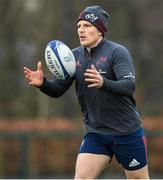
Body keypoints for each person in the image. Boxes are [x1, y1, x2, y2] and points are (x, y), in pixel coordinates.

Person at [24, 5, 150, 179]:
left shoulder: (117, 52)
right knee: (81, 177)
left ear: (100, 30)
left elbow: (129, 86)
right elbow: (58, 89)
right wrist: (43, 83)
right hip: (96, 133)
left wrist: (103, 83)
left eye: (87, 25)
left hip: (127, 132)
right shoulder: (73, 57)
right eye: (78, 26)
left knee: (138, 178)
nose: (81, 30)